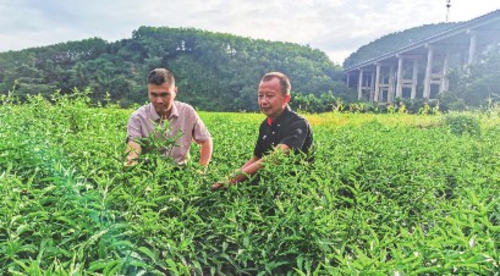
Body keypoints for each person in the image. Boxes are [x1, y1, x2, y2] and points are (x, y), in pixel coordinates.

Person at [212, 72, 313, 190]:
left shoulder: (298, 124)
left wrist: (232, 180)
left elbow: (276, 157)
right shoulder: (265, 125)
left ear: (286, 99)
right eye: (260, 96)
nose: (263, 101)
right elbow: (257, 158)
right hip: (270, 187)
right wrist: (229, 178)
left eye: (270, 96)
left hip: (296, 191)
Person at [126, 68, 213, 167]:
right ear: (148, 92)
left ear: (175, 91)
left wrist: (202, 169)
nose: (159, 100)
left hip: (182, 172)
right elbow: (133, 152)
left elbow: (206, 140)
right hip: (151, 173)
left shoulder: (187, 112)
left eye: (164, 94)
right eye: (154, 95)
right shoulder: (137, 118)